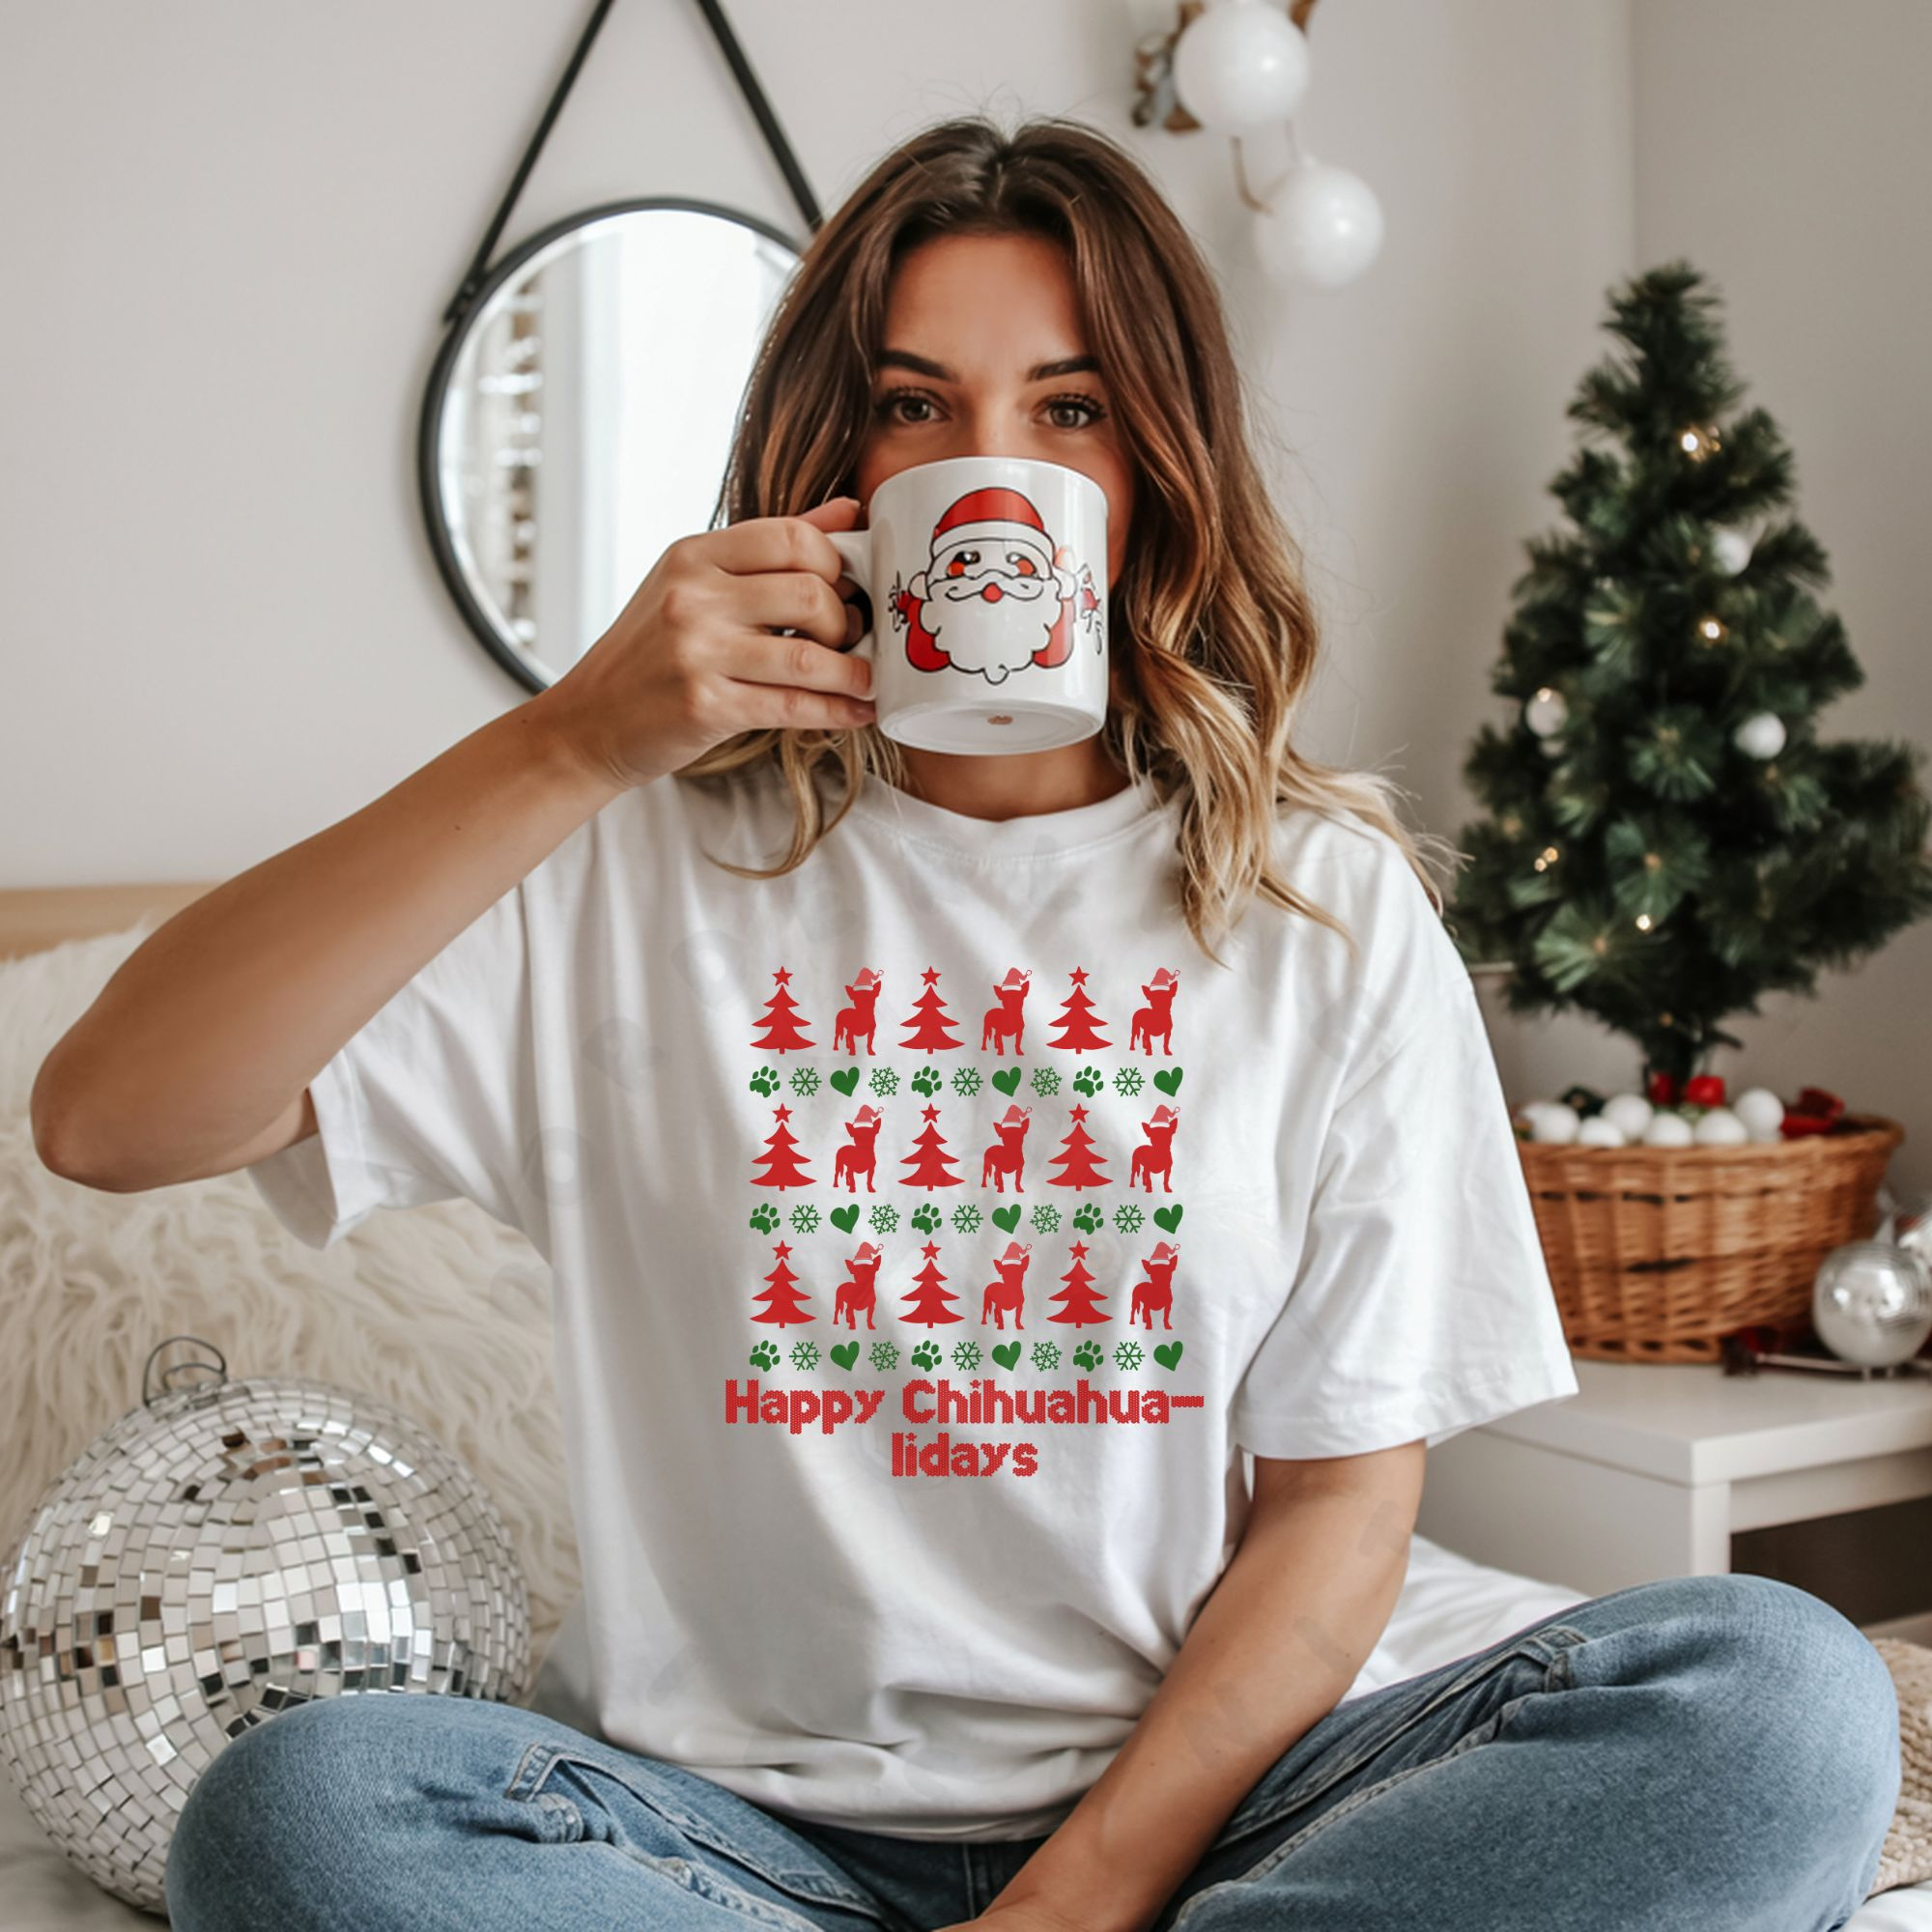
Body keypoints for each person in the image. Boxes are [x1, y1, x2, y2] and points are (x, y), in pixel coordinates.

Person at [35, 113, 1898, 1932]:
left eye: (1067, 411)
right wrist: (571, 736)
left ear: (1153, 469)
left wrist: (1075, 1906)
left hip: (1223, 1812)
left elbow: (1343, 1510)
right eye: (916, 405)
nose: (987, 467)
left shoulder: (1320, 904)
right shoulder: (617, 854)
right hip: (725, 1839)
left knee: (1777, 1704)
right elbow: (111, 1115)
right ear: (827, 464)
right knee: (303, 1816)